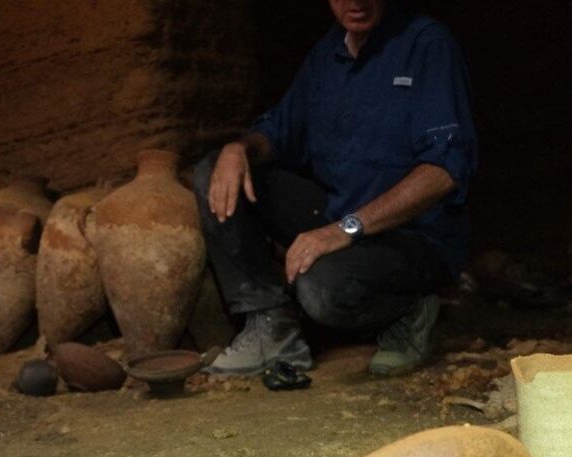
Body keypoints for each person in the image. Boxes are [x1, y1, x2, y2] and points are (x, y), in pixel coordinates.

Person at [194, 0, 477, 376]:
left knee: (321, 290)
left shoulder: (427, 45)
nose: (355, 2)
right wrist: (239, 149)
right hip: (339, 216)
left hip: (414, 238)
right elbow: (279, 132)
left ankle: (411, 311)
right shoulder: (328, 54)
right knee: (216, 169)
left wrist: (344, 229)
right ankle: (270, 324)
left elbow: (445, 171)